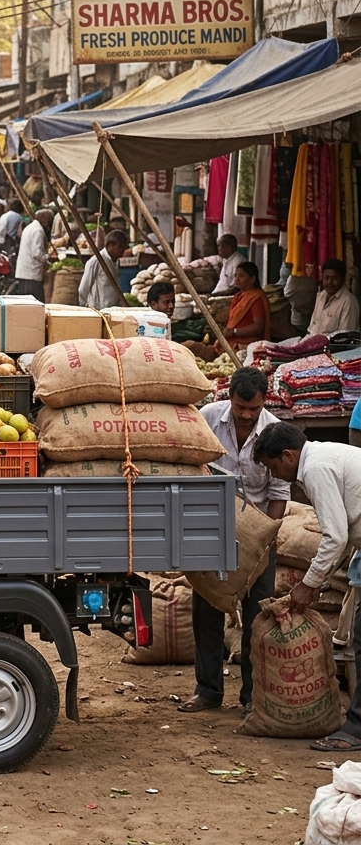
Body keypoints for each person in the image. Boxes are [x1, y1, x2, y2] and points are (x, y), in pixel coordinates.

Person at [178, 368, 289, 715]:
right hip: (212, 529)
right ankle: (208, 690)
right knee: (207, 611)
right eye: (240, 406)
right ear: (229, 398)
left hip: (256, 536)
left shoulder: (273, 430)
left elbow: (279, 491)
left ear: (263, 403)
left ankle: (251, 697)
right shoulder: (208, 417)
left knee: (257, 615)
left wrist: (265, 536)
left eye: (252, 409)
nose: (244, 415)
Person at [253, 422, 361, 751]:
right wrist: (319, 582)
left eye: (274, 467)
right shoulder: (328, 455)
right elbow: (343, 533)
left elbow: (335, 535)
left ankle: (356, 729)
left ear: (288, 455)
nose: (276, 475)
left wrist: (308, 585)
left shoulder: (315, 467)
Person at [78, 228, 128, 310]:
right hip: (98, 310)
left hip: (113, 309)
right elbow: (83, 289)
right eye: (120, 247)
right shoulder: (96, 261)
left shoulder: (116, 261)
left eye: (124, 247)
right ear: (110, 245)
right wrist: (84, 308)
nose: (123, 250)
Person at [225, 261, 270, 350]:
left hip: (247, 345)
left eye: (241, 276)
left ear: (252, 279)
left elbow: (258, 327)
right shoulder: (239, 296)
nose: (237, 279)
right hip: (234, 341)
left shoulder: (256, 297)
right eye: (235, 275)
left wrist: (234, 331)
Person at [308, 258, 360, 336]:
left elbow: (345, 338)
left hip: (331, 347)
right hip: (312, 343)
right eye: (326, 278)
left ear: (343, 279)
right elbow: (312, 328)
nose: (329, 282)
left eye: (334, 278)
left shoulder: (348, 302)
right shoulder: (321, 295)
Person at [11, 208, 53, 300]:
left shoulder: (30, 227)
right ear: (45, 219)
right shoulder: (38, 231)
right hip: (31, 275)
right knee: (35, 303)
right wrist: (48, 257)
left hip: (25, 273)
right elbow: (37, 253)